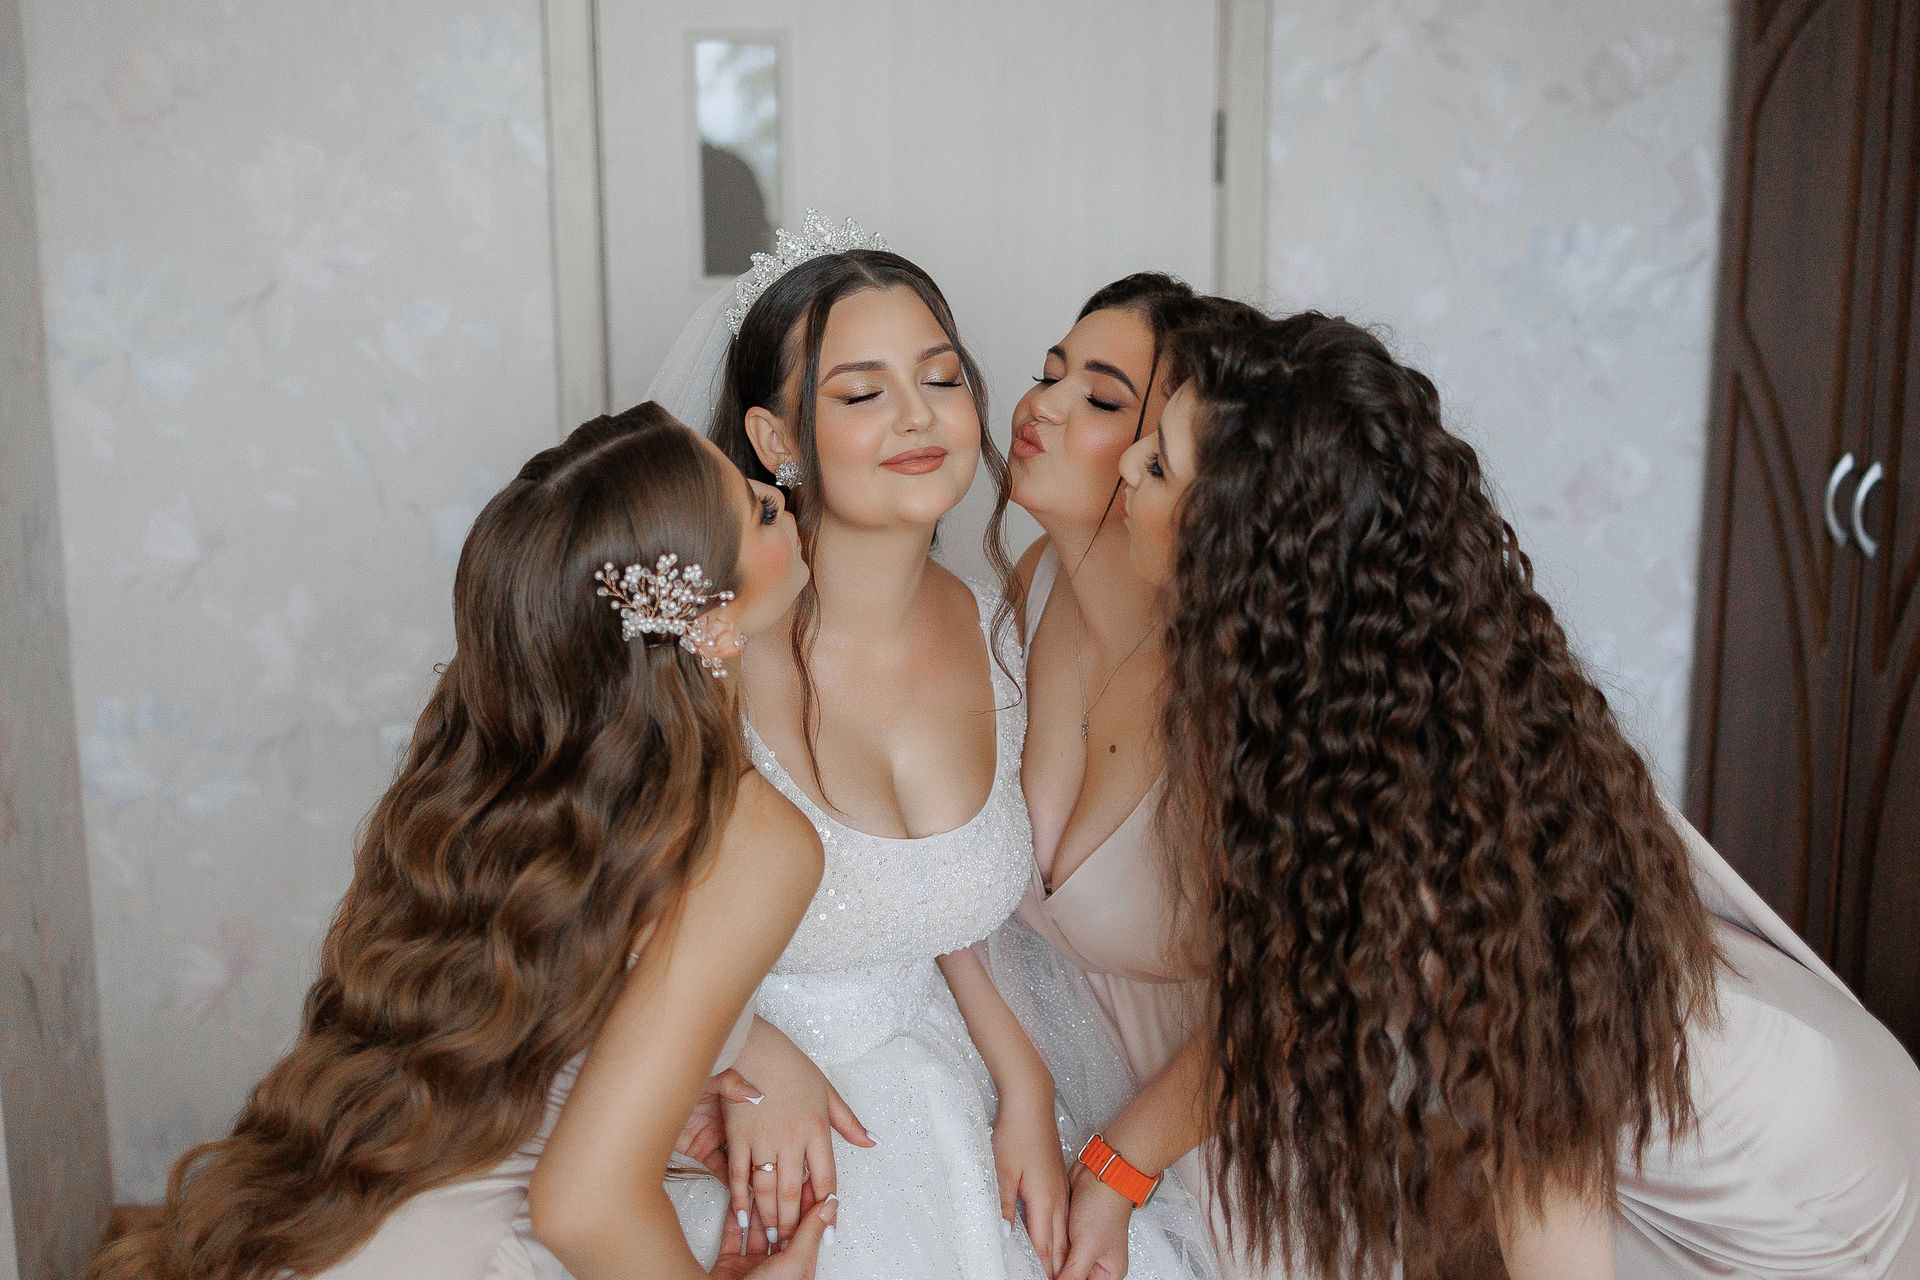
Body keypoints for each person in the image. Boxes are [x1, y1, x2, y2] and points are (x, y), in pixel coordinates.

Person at [1116, 309, 1920, 1279]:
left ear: (1241, 550)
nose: (1122, 470)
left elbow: (1555, 1220)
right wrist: (1118, 1163)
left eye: (1157, 465)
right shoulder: (1387, 690)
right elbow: (1289, 992)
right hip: (1790, 1075)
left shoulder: (1433, 869)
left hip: (1803, 1191)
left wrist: (1116, 1168)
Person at [84, 404, 833, 1280]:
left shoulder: (504, 772)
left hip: (339, 1230)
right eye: (763, 511)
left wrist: (733, 1058)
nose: (777, 486)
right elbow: (586, 1206)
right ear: (710, 624)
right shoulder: (749, 835)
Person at [663, 213, 1213, 1280]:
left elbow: (936, 900)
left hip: (944, 1083)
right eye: (863, 393)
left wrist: (1026, 1079)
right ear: (776, 442)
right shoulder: (712, 652)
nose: (919, 417)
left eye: (943, 378)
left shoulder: (1006, 637)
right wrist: (742, 1046)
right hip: (735, 1103)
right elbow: (591, 893)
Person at [1002, 274, 1276, 1280]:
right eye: (1050, 372)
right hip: (1044, 1079)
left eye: (1102, 398)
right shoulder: (1029, 586)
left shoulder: (1238, 689)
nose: (1042, 404)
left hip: (1214, 1133)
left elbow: (1297, 992)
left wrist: (1123, 1165)